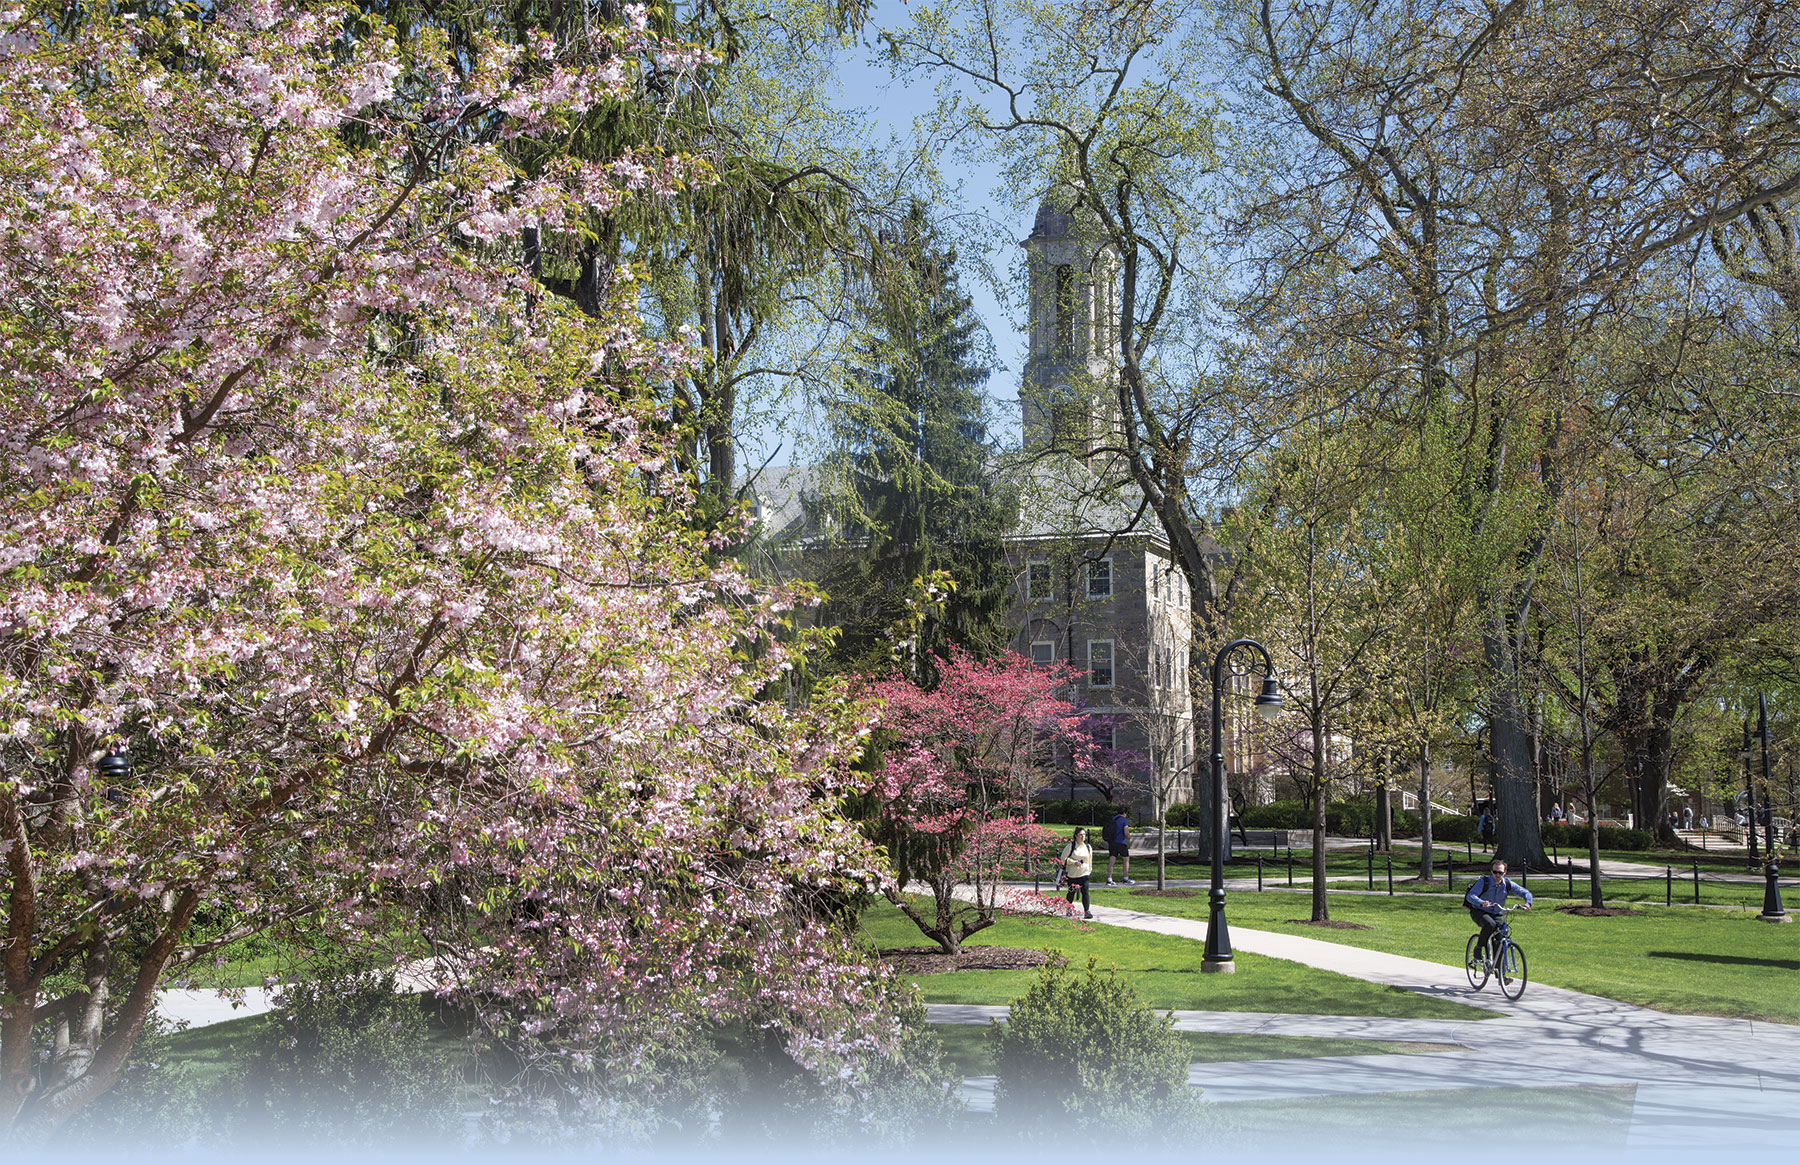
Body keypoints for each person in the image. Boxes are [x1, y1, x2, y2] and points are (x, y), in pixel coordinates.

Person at [1463, 858, 1532, 961]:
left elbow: (1525, 892)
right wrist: (1481, 902)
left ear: (1505, 872)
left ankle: (1500, 973)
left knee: (1501, 938)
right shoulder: (1484, 881)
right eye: (1495, 872)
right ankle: (1478, 948)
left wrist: (1528, 903)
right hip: (1479, 911)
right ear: (1491, 871)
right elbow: (1470, 896)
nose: (1497, 875)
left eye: (1500, 872)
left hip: (1496, 913)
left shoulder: (1507, 884)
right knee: (1490, 924)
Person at [1060, 827, 1094, 919]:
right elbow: (1063, 859)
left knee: (1085, 892)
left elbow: (1089, 860)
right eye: (1080, 835)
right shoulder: (1070, 846)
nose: (1083, 837)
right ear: (1076, 836)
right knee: (1071, 892)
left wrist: (1089, 870)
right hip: (1073, 874)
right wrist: (1074, 862)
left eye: (1084, 835)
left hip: (1084, 873)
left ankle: (1087, 911)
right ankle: (1068, 909)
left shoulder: (1088, 847)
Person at [1105, 809, 1134, 885]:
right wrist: (1128, 836)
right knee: (1126, 859)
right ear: (1124, 813)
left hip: (1112, 842)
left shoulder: (1113, 819)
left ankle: (1109, 879)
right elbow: (1126, 832)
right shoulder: (1124, 820)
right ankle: (1126, 878)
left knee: (1112, 861)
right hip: (1121, 842)